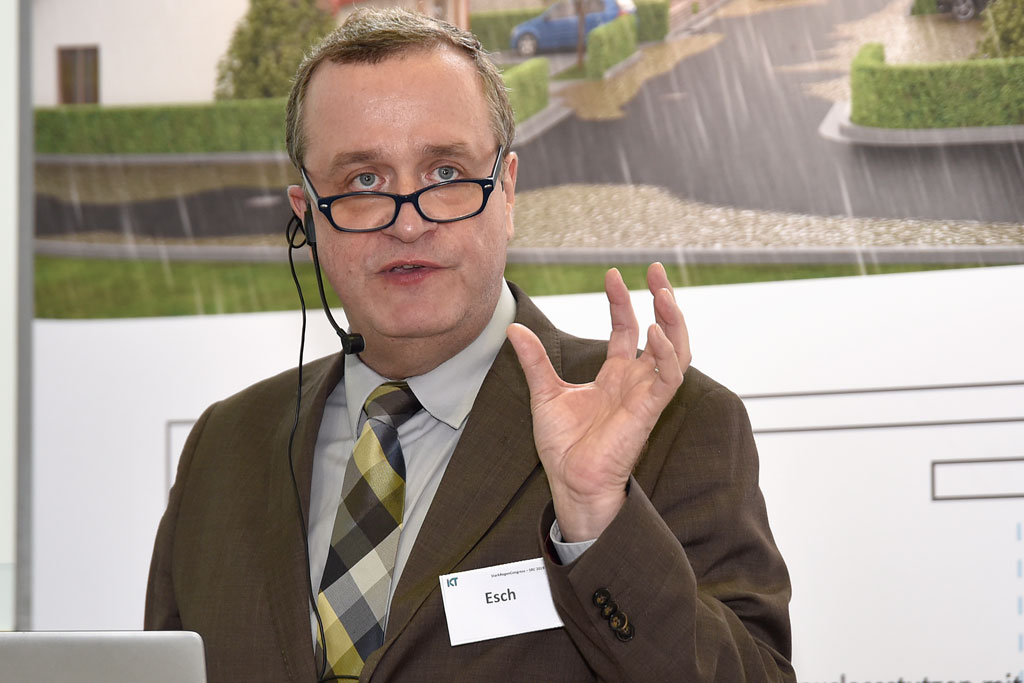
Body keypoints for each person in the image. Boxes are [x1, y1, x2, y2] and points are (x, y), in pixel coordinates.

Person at [145, 8, 795, 682]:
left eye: (445, 173)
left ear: (507, 191)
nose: (407, 223)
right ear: (307, 216)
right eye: (364, 181)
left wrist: (599, 523)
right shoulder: (223, 449)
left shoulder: (673, 424)